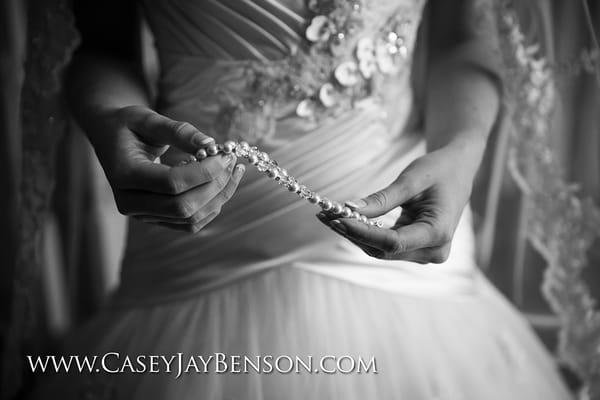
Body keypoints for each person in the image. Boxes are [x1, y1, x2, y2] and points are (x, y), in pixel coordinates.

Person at [31, 0, 572, 398]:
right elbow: (101, 44)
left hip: (405, 231)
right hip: (192, 239)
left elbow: (463, 36)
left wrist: (462, 147)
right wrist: (109, 119)